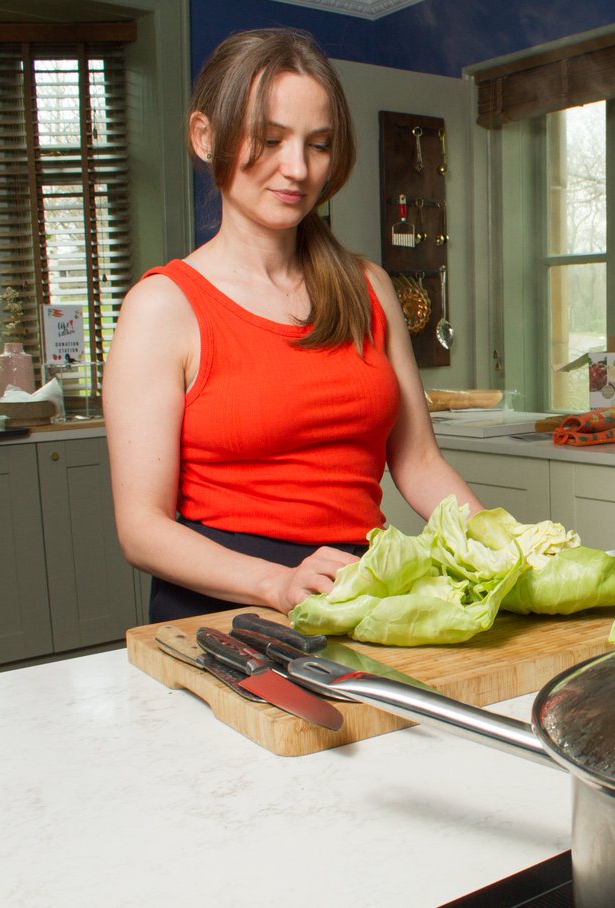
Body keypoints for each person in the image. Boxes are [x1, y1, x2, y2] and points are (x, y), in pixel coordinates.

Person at [104, 28, 483, 623]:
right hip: (223, 609)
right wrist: (276, 584)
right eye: (270, 138)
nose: (297, 168)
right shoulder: (163, 307)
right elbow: (142, 529)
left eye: (319, 144)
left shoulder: (369, 288)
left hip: (354, 590)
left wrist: (503, 544)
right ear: (206, 137)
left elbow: (418, 463)